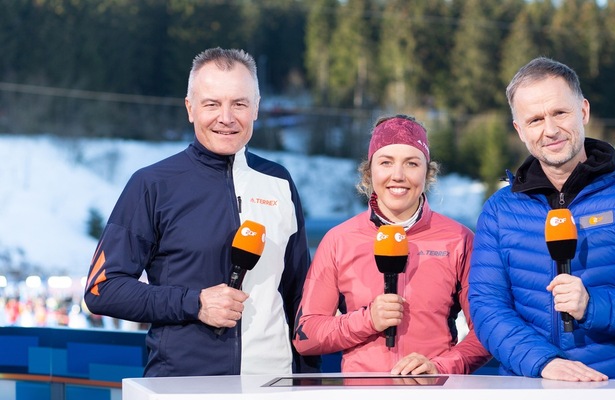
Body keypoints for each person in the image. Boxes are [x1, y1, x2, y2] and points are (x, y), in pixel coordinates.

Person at [84, 47, 319, 377]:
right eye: (212, 103)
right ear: (190, 108)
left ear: (256, 109)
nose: (226, 117)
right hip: (182, 384)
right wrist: (193, 303)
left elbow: (300, 297)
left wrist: (308, 382)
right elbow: (102, 289)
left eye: (239, 103)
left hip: (273, 383)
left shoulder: (279, 182)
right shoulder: (152, 184)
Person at [468, 57, 615, 381]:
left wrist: (594, 306)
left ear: (584, 111)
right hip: (529, 388)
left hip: (614, 388)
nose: (550, 130)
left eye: (559, 113)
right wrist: (543, 363)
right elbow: (487, 308)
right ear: (520, 131)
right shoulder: (499, 212)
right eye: (535, 120)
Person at [292, 115, 491, 375]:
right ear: (369, 170)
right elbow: (306, 336)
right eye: (386, 162)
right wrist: (367, 320)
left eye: (411, 163)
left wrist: (440, 367)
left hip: (433, 394)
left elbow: (487, 333)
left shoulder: (459, 239)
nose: (398, 175)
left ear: (427, 172)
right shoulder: (339, 240)